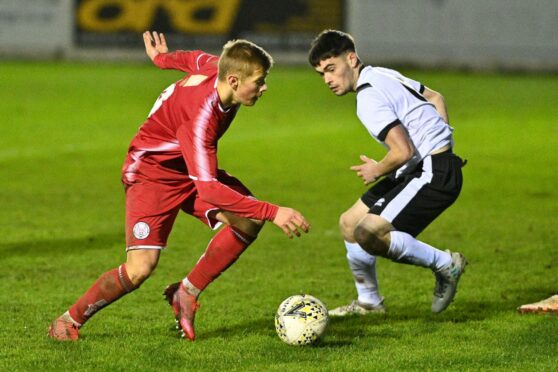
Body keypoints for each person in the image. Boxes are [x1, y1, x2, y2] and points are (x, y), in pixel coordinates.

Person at [48, 31, 310, 341]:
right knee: (140, 268)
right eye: (259, 81)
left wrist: (162, 59)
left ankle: (185, 293)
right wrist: (273, 211)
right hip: (152, 173)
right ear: (235, 82)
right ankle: (68, 321)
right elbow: (210, 190)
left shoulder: (219, 67)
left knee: (248, 219)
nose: (264, 87)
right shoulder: (201, 117)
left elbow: (192, 58)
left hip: (188, 166)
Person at [308, 30, 467, 316]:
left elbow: (401, 151)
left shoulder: (368, 98)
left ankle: (446, 264)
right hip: (425, 166)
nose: (328, 80)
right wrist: (442, 140)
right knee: (349, 223)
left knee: (368, 233)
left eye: (331, 69)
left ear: (351, 58)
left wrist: (377, 169)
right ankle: (370, 302)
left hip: (433, 173)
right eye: (321, 74)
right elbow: (436, 97)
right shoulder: (381, 74)